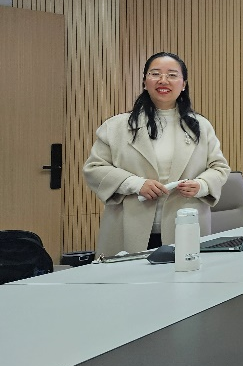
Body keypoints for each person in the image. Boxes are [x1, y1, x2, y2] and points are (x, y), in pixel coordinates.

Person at [84, 52, 230, 256]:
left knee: (185, 273)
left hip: (186, 225)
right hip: (129, 225)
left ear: (183, 84)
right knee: (130, 275)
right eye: (155, 74)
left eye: (172, 75)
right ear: (145, 82)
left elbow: (219, 167)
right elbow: (94, 168)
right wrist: (135, 184)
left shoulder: (200, 126)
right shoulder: (116, 126)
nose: (163, 80)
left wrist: (202, 185)